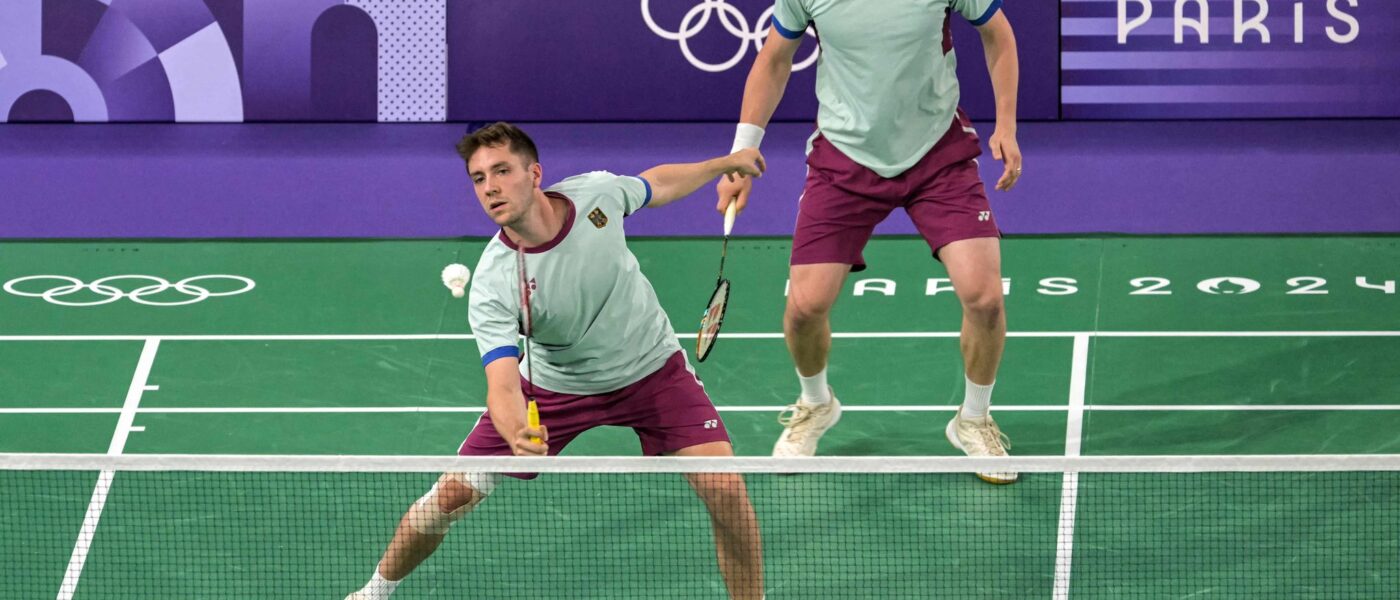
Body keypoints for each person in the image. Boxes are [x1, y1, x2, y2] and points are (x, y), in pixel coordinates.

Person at [348, 122, 767, 599]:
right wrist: (515, 431)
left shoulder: (596, 196)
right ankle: (372, 592)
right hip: (554, 387)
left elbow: (655, 184)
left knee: (727, 492)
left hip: (651, 370)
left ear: (534, 174)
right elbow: (503, 386)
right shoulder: (492, 283)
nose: (491, 187)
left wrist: (722, 164)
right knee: (450, 498)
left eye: (502, 171)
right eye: (479, 178)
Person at [716, 0, 1023, 483]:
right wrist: (740, 151)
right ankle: (816, 404)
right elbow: (774, 59)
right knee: (804, 307)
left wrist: (1006, 123)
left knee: (984, 298)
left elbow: (999, 35)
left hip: (936, 153)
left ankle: (974, 418)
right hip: (845, 156)